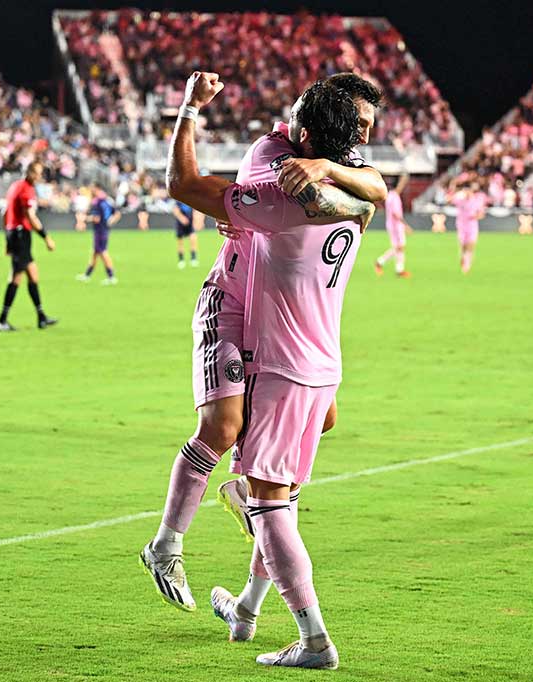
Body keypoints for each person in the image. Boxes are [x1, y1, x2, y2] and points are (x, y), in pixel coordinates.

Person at [139, 73, 386, 622]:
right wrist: (190, 110)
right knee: (226, 429)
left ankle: (247, 605)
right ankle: (166, 546)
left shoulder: (332, 164)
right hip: (230, 305)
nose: (365, 139)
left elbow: (372, 187)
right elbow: (194, 186)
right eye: (360, 125)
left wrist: (328, 172)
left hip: (283, 327)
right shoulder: (272, 155)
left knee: (319, 426)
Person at [0, 162, 58, 331]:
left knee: (33, 274)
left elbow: (5, 213)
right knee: (16, 277)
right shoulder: (27, 190)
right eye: (37, 173)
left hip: (14, 233)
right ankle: (2, 320)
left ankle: (41, 317)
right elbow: (31, 217)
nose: (39, 176)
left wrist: (7, 238)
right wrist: (46, 238)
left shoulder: (15, 186)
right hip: (21, 234)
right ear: (30, 173)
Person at [76, 183, 120, 284]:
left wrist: (85, 219)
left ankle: (111, 276)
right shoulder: (107, 200)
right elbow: (117, 213)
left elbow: (96, 218)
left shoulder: (97, 202)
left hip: (100, 230)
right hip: (104, 229)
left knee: (103, 252)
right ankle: (87, 275)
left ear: (97, 189)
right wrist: (109, 222)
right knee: (95, 253)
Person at [374, 174, 412, 278]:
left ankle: (398, 269)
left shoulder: (390, 195)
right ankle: (381, 262)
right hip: (396, 225)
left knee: (399, 247)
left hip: (392, 225)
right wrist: (406, 225)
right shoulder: (394, 196)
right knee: (399, 247)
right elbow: (396, 213)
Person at [450, 180, 486, 273]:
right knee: (463, 245)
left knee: (471, 245)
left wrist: (476, 216)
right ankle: (463, 257)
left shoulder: (476, 201)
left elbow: (481, 213)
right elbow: (450, 199)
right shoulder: (460, 200)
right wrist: (453, 186)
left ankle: (467, 265)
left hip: (472, 225)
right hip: (461, 225)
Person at [173, 199, 198, 269]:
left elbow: (195, 210)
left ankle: (193, 258)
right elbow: (175, 210)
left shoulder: (190, 199)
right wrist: (182, 218)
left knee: (193, 239)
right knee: (180, 242)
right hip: (180, 223)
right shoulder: (179, 200)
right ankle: (181, 260)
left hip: (189, 222)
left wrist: (196, 220)